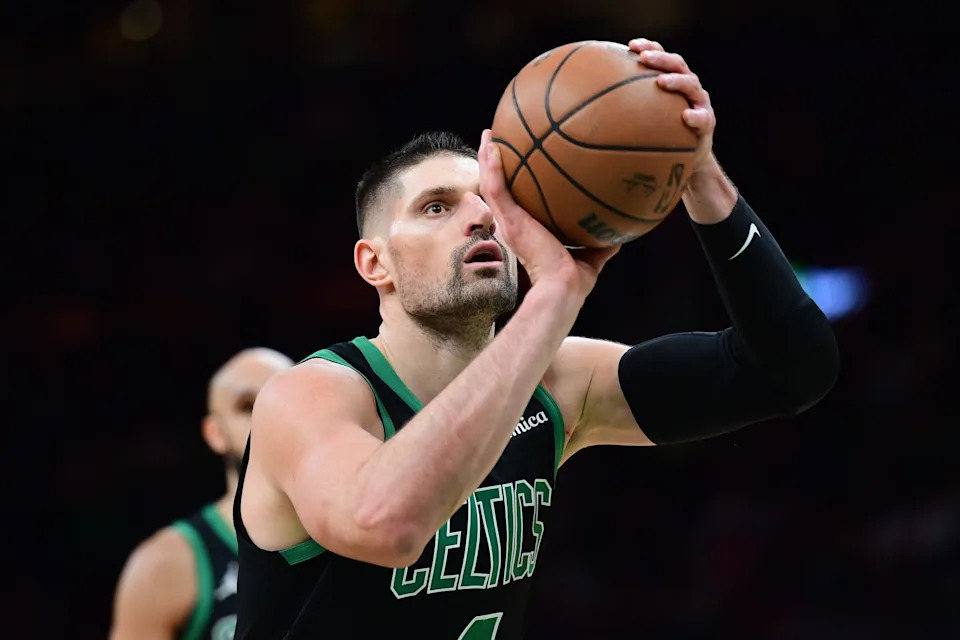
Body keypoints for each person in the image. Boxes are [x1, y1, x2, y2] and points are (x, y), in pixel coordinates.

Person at [234, 38, 839, 639]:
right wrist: (555, 296)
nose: (480, 217)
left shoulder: (558, 384)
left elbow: (792, 371)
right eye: (437, 208)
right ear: (376, 264)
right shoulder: (312, 395)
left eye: (489, 200)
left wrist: (697, 172)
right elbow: (387, 524)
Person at [110, 348, 293, 640]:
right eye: (247, 406)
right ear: (215, 433)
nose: (268, 416)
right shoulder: (167, 563)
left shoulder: (358, 531)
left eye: (283, 401)